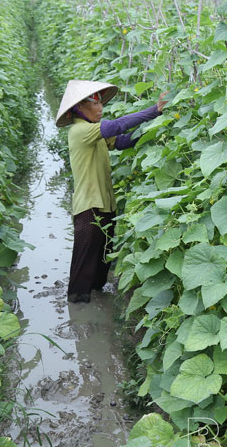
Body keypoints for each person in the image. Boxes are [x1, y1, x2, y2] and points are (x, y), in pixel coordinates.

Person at [55, 80, 168, 303]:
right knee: (84, 262)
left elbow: (122, 141)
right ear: (79, 107)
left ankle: (96, 300)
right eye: (94, 104)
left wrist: (156, 128)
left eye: (101, 103)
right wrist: (154, 111)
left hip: (105, 203)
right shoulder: (80, 131)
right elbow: (116, 126)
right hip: (88, 206)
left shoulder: (95, 132)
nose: (100, 108)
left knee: (102, 258)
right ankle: (78, 307)